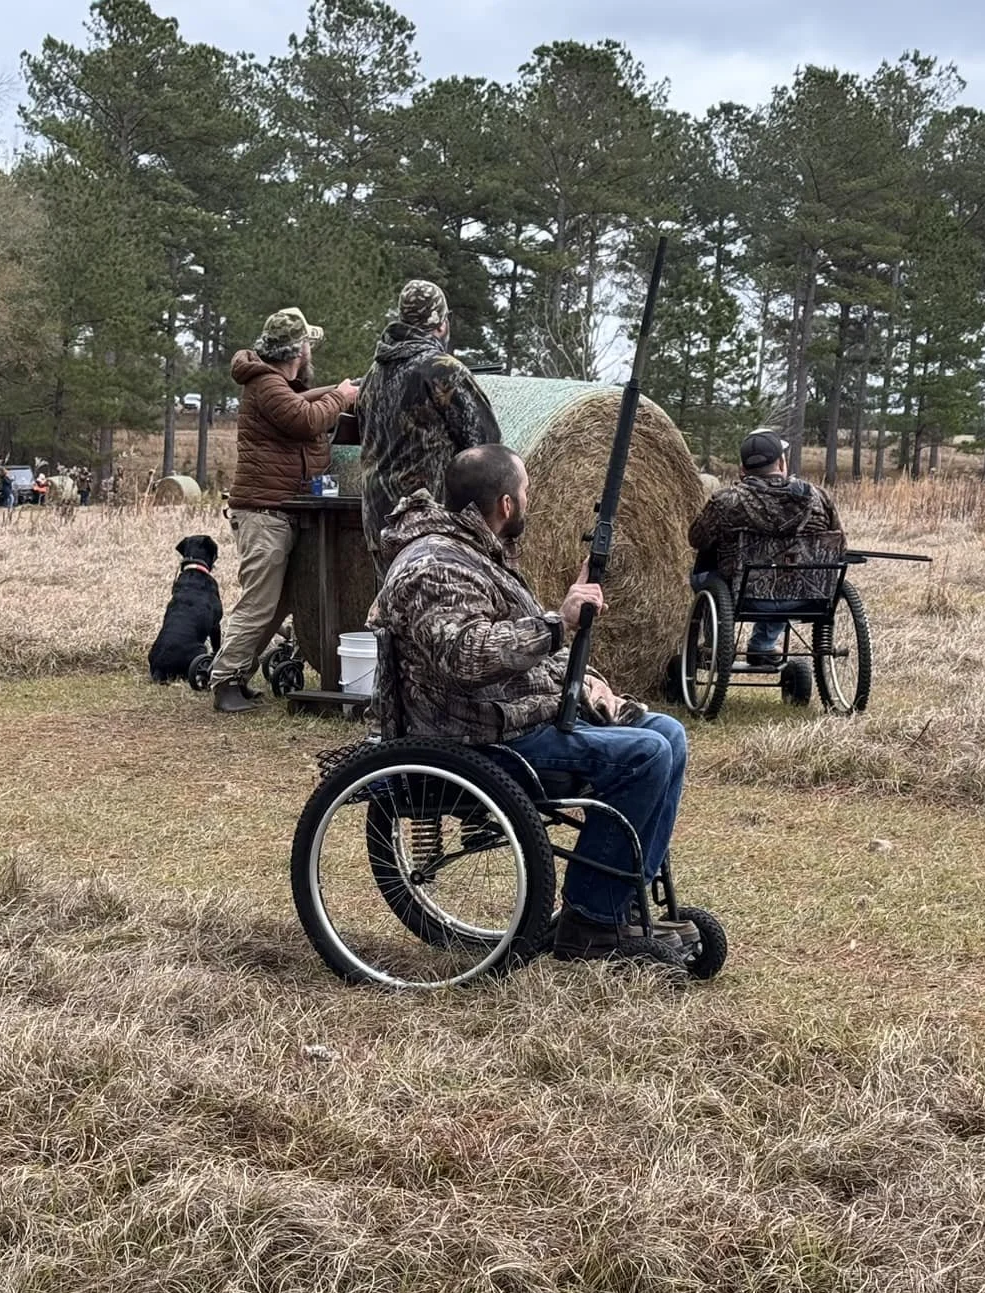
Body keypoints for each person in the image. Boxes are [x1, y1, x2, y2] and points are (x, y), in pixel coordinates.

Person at [369, 444, 694, 962]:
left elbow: (511, 646)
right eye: (525, 493)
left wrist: (583, 681)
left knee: (668, 735)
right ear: (505, 504)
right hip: (476, 738)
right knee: (645, 755)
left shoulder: (479, 556)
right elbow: (466, 655)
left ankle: (622, 902)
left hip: (514, 716)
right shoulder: (433, 565)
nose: (531, 502)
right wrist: (557, 622)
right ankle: (592, 921)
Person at [207, 306, 360, 714]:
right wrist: (341, 396)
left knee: (275, 605)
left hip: (277, 512)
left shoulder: (273, 384)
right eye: (307, 344)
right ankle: (224, 680)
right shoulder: (267, 384)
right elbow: (304, 418)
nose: (310, 350)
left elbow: (300, 404)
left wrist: (335, 391)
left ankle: (237, 674)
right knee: (260, 604)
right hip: (264, 514)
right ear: (297, 350)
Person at [357, 279, 502, 566]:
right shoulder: (442, 369)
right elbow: (488, 448)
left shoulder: (373, 374)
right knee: (437, 609)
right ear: (440, 324)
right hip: (428, 527)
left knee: (397, 607)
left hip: (379, 524)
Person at [687, 429, 843, 667]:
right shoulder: (819, 498)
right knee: (788, 571)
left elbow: (696, 539)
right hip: (805, 597)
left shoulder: (726, 501)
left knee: (703, 575)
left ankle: (714, 644)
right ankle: (763, 645)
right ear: (781, 463)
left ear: (742, 469)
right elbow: (839, 543)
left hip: (741, 597)